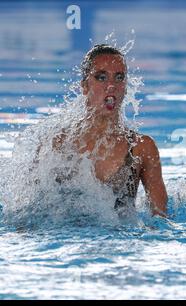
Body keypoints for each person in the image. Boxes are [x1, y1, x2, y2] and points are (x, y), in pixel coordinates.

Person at [52, 44, 167, 216]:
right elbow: (29, 216)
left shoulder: (141, 148)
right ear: (84, 86)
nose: (111, 86)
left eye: (119, 77)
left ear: (126, 86)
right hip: (69, 239)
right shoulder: (59, 144)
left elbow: (161, 220)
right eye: (101, 77)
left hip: (121, 239)